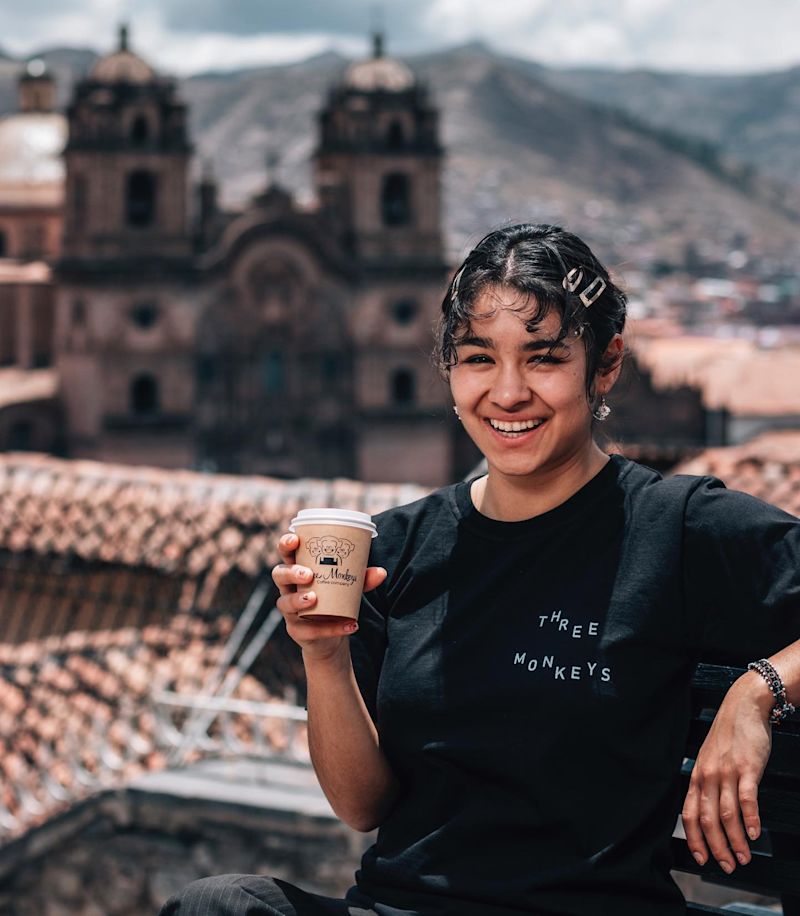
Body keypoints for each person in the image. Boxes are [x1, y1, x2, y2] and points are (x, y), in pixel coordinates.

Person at [159, 224, 800, 915]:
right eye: (477, 359)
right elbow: (363, 805)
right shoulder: (397, 547)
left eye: (544, 358)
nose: (508, 391)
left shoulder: (677, 527)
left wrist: (758, 692)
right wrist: (324, 656)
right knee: (217, 904)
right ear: (449, 369)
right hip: (399, 906)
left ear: (606, 364)